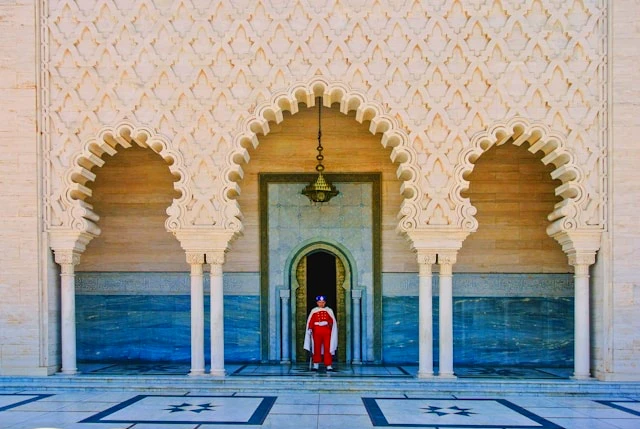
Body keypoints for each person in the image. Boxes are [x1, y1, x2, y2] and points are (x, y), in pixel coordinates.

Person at [303, 295, 338, 371]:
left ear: (325, 303)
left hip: (326, 332)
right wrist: (310, 328)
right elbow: (311, 321)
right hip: (317, 332)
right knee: (316, 348)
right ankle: (316, 364)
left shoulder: (329, 310)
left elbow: (332, 322)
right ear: (317, 303)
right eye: (319, 302)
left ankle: (328, 365)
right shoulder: (314, 311)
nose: (321, 304)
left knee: (327, 348)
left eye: (322, 302)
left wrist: (326, 322)